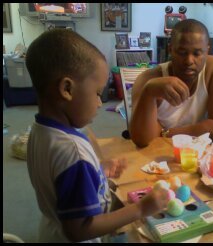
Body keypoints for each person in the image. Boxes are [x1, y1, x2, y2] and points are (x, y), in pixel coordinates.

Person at [25, 29, 169, 243]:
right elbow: (80, 229)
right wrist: (141, 208)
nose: (101, 103)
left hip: (50, 231)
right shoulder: (74, 153)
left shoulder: (39, 131)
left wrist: (98, 171)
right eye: (97, 93)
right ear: (67, 89)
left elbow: (60, 184)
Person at [130, 19, 213, 147]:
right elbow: (142, 140)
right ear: (170, 49)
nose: (189, 61)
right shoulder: (147, 80)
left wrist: (164, 133)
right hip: (157, 156)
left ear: (207, 51)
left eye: (197, 53)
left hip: (197, 154)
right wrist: (148, 92)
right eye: (182, 52)